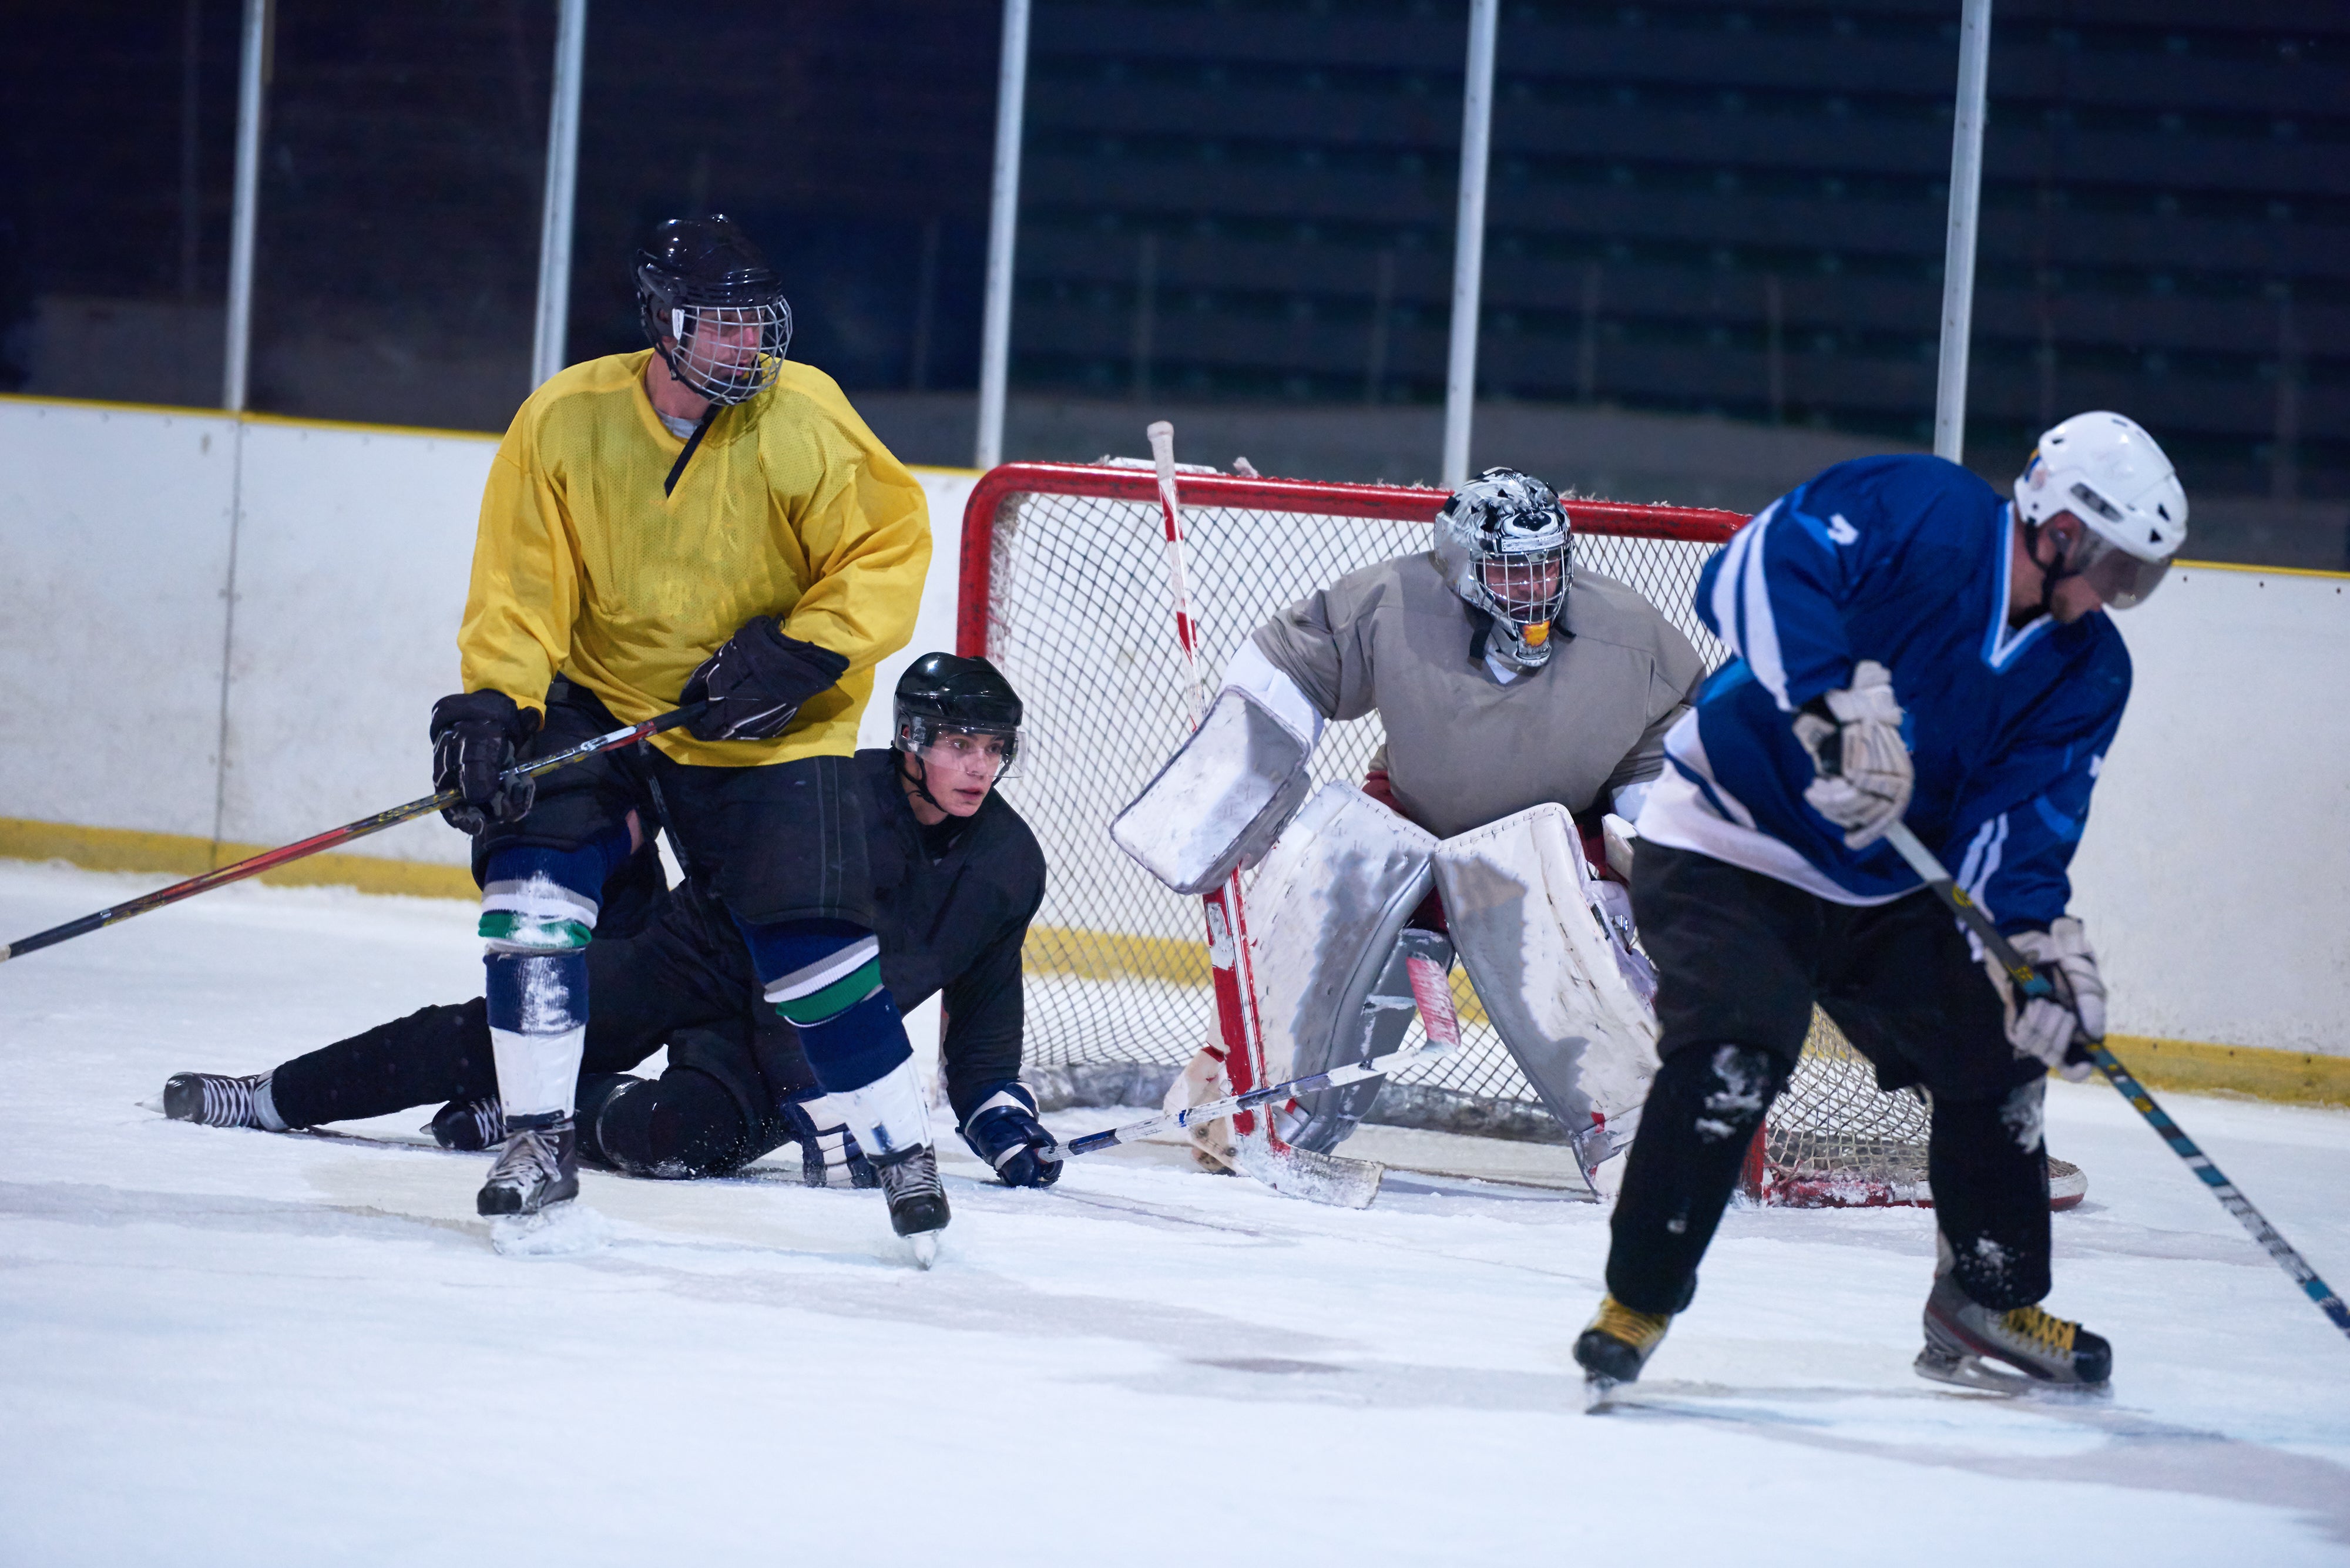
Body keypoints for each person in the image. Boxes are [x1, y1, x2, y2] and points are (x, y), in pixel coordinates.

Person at [1574, 411, 2187, 1398]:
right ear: (2060, 529)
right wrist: (1832, 706)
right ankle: (1636, 1299)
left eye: (2138, 579)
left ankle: (1986, 1297)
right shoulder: (1921, 507)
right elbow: (1746, 571)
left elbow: (2022, 824)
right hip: (1730, 841)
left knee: (1999, 1045)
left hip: (1883, 889)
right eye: (2117, 568)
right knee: (1735, 1051)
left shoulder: (2088, 670)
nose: (2116, 597)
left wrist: (2032, 945)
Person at [415, 214, 934, 1241]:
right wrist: (495, 705)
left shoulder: (807, 415)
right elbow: (521, 585)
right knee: (530, 895)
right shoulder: (566, 418)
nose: (748, 344)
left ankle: (902, 1150)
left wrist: (804, 648)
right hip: (602, 694)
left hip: (770, 712)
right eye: (720, 324)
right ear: (661, 322)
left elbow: (889, 546)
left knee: (810, 943)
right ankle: (538, 1138)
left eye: (757, 322)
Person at [159, 656, 1062, 1196]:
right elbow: (784, 959)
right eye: (958, 744)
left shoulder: (1009, 865)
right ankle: (273, 1095)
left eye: (993, 749)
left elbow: (984, 1015)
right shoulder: (836, 797)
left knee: (676, 1143)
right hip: (698, 955)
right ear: (911, 739)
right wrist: (832, 1103)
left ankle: (551, 1108)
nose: (978, 767)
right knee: (503, 1031)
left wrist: (1002, 1124)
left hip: (799, 1037)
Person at [1117, 468, 1705, 1167]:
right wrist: (1236, 770)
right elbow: (1298, 662)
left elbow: (1665, 744)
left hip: (1546, 836)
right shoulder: (1393, 599)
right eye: (1511, 569)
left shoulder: (1631, 634)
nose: (1535, 587)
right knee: (1331, 910)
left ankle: (1642, 1137)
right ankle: (1256, 1101)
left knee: (1574, 945)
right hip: (1412, 813)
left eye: (1547, 565)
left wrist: (1652, 844)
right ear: (1460, 563)